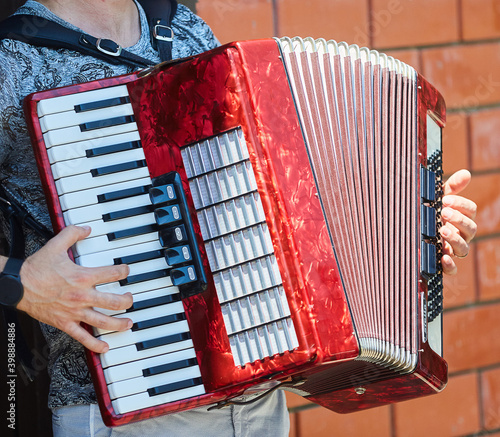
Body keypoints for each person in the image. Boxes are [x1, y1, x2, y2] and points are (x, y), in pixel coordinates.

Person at [0, 1, 477, 436]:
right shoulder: (13, 62)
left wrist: (409, 228)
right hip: (130, 411)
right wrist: (20, 282)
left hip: (257, 405)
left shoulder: (184, 30)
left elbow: (268, 206)